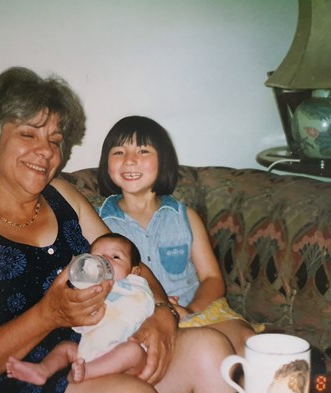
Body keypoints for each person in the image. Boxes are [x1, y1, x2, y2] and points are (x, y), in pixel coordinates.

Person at [0, 67, 235, 393]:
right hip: (24, 376)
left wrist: (160, 313)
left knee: (211, 351)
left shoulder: (63, 195)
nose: (46, 151)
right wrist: (47, 316)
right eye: (29, 134)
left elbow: (130, 262)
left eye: (54, 140)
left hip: (100, 348)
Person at [97, 115, 259, 357]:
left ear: (163, 162)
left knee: (248, 340)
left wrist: (189, 309)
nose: (129, 160)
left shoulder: (185, 217)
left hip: (196, 311)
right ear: (106, 162)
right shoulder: (99, 224)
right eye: (118, 152)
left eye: (142, 151)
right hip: (138, 321)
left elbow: (213, 278)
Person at [7, 232, 154, 385]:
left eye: (115, 257)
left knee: (133, 352)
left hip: (126, 355)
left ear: (134, 272)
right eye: (96, 257)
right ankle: (42, 370)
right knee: (66, 348)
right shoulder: (86, 290)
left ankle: (88, 372)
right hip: (89, 354)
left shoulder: (134, 286)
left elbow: (150, 304)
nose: (104, 261)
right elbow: (76, 319)